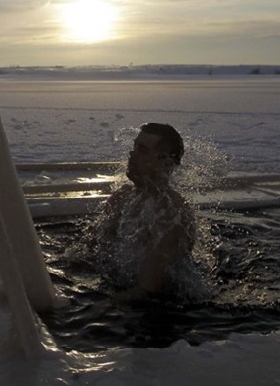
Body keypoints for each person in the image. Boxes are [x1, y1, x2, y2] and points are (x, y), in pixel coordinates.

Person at [85, 123, 199, 301]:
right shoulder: (122, 198)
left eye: (143, 150)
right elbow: (91, 249)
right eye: (135, 146)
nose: (132, 154)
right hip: (117, 288)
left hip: (159, 313)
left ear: (166, 163)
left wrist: (92, 311)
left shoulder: (172, 216)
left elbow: (147, 291)